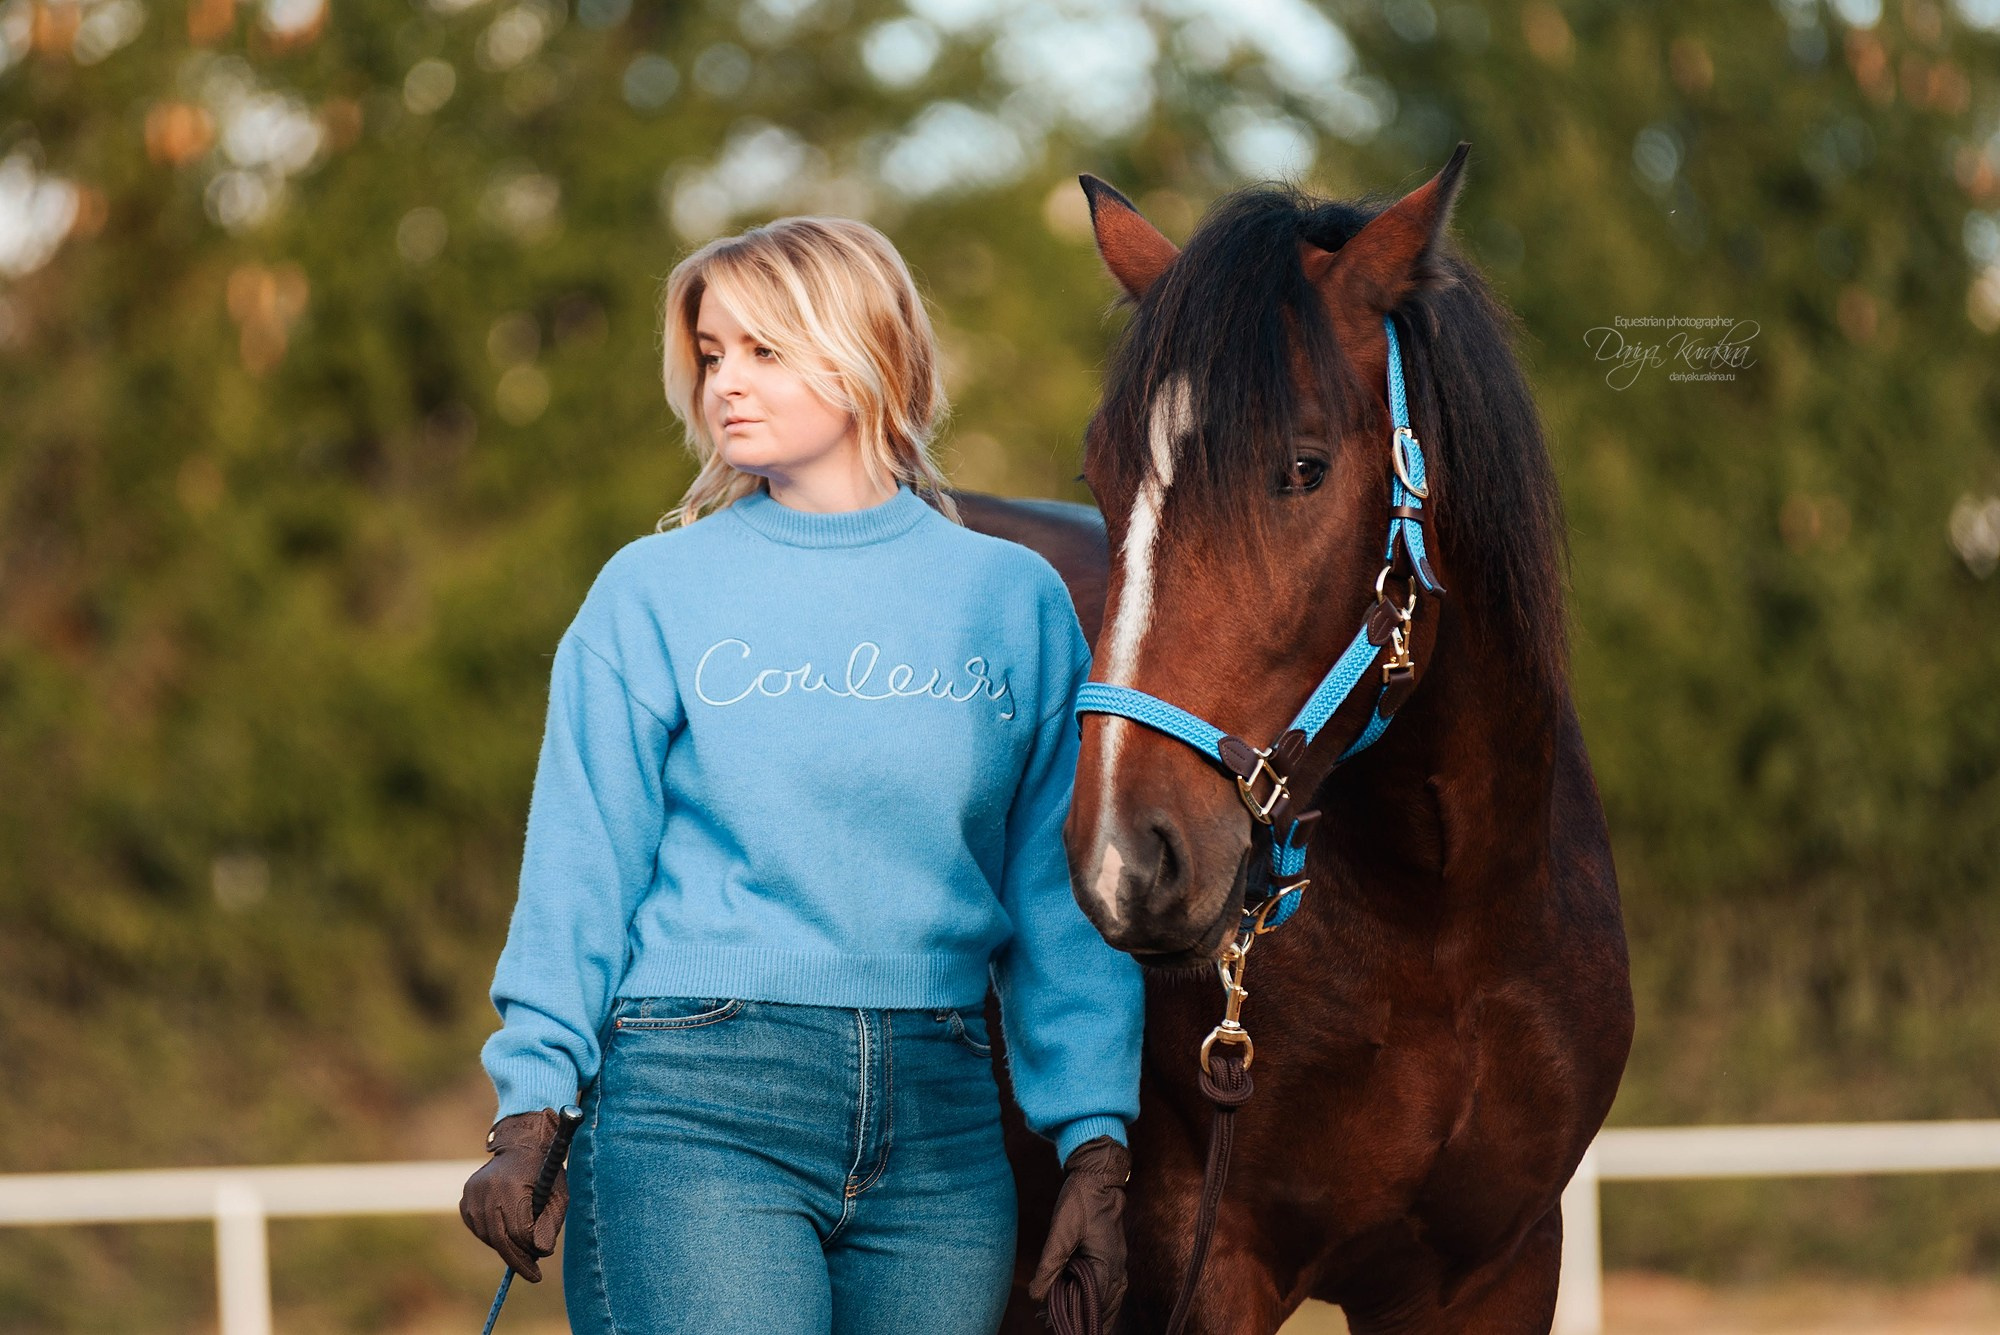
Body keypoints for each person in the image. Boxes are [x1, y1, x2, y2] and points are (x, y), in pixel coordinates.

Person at [458, 215, 1145, 1334]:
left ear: (867, 350)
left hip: (947, 1120)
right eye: (713, 353)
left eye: (764, 350)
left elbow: (1051, 899)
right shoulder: (650, 593)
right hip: (697, 1105)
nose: (725, 381)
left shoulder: (1012, 600)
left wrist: (1094, 1144)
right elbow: (581, 867)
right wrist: (531, 1108)